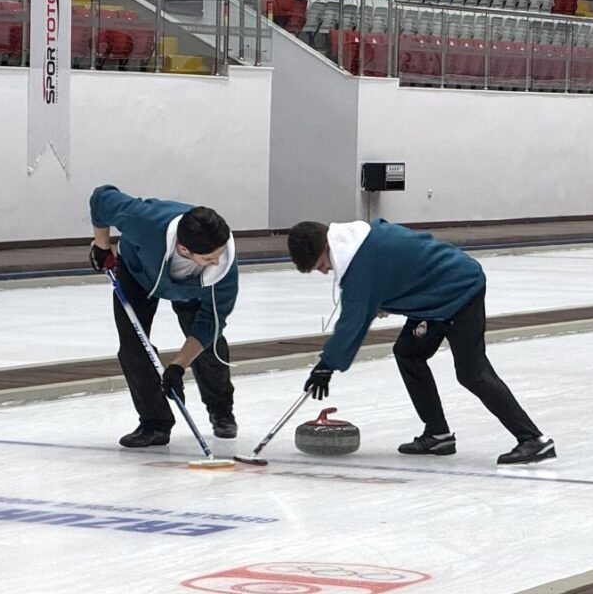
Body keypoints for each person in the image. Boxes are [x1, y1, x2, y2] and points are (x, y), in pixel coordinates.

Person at [286, 218, 555, 465]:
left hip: (460, 289)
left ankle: (534, 439)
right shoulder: (360, 240)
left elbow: (352, 323)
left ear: (326, 246)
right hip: (434, 296)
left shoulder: (360, 265)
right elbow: (398, 269)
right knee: (408, 353)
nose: (325, 271)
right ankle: (438, 434)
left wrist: (326, 365)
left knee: (472, 373)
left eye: (321, 265)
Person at [88, 184, 239, 448]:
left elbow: (210, 323)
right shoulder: (145, 221)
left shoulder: (223, 268)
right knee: (134, 346)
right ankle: (155, 423)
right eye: (209, 258)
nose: (218, 261)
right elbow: (102, 198)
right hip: (138, 273)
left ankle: (221, 409)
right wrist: (102, 245)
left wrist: (178, 366)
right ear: (184, 249)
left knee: (209, 343)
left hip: (193, 289)